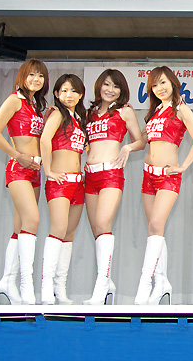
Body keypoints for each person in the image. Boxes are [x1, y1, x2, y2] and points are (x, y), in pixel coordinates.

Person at [135, 66, 193, 305]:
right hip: (148, 175)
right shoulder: (154, 113)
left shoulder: (181, 109)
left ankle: (144, 284)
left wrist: (183, 166)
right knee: (155, 230)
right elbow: (141, 141)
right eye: (154, 85)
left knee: (156, 224)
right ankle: (162, 282)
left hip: (167, 177)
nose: (160, 88)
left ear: (173, 83)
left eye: (163, 82)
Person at [0, 59, 49, 305]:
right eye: (31, 75)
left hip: (35, 170)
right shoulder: (14, 100)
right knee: (32, 221)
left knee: (20, 226)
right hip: (18, 169)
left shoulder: (36, 106)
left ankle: (7, 281)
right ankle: (26, 285)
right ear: (22, 77)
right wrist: (17, 155)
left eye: (40, 76)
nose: (36, 79)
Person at [83, 69, 144, 305]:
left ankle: (101, 285)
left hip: (111, 174)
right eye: (107, 84)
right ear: (99, 86)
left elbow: (140, 140)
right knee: (96, 230)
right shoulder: (88, 113)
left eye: (116, 86)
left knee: (103, 224)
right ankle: (107, 282)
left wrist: (127, 148)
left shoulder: (124, 111)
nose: (110, 90)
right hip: (90, 176)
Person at [39, 74, 88, 305]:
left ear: (80, 94)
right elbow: (45, 140)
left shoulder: (79, 119)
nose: (69, 95)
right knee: (57, 230)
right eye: (64, 90)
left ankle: (60, 288)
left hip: (78, 182)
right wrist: (48, 170)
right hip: (59, 181)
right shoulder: (57, 114)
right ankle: (46, 286)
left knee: (69, 235)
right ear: (57, 94)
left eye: (73, 91)